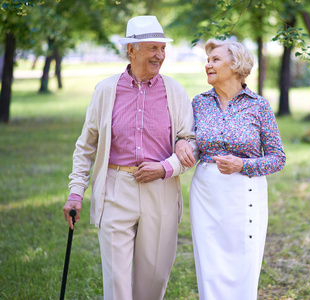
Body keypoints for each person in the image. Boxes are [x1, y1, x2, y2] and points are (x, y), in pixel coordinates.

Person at [62, 15, 197, 300]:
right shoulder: (105, 90)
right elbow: (86, 146)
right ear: (131, 50)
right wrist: (76, 192)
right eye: (152, 48)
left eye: (162, 48)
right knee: (117, 284)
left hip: (160, 191)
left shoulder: (175, 91)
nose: (160, 55)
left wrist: (165, 168)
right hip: (116, 187)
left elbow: (191, 142)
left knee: (153, 280)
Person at [176, 39, 286, 299]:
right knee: (210, 267)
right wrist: (180, 141)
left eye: (215, 60)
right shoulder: (199, 103)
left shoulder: (259, 106)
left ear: (236, 65)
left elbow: (277, 158)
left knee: (243, 265)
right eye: (208, 60)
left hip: (245, 193)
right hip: (206, 195)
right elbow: (189, 139)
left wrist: (242, 164)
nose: (208, 65)